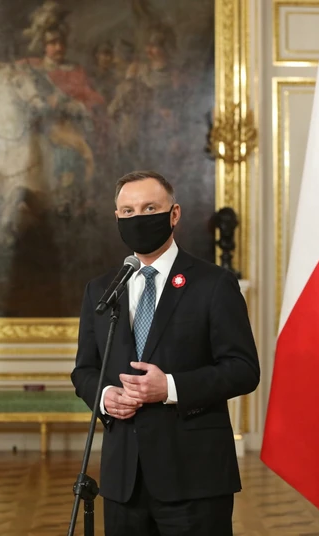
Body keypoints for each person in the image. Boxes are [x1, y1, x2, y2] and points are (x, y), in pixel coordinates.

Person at [71, 171, 260, 535]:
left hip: (195, 478)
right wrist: (106, 396)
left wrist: (170, 388)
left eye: (149, 208)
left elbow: (243, 369)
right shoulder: (101, 289)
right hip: (123, 481)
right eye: (128, 211)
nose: (138, 218)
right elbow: (84, 370)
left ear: (174, 214)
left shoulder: (213, 283)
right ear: (117, 217)